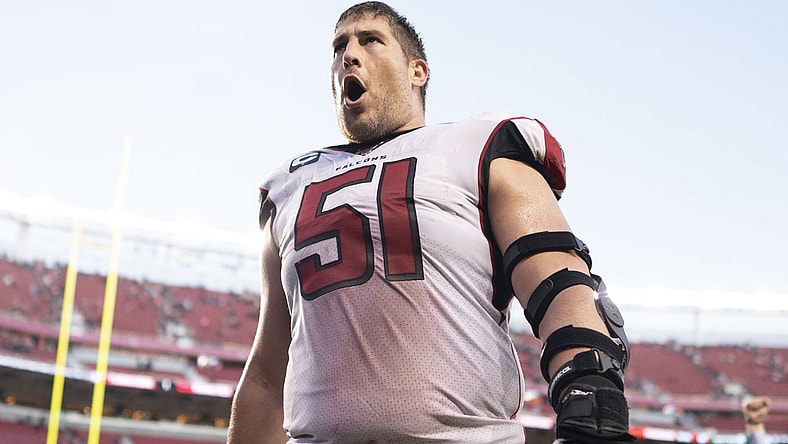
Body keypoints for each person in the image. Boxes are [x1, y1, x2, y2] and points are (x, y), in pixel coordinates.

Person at [228, 2, 633, 443]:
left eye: (370, 40)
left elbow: (558, 282)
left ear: (417, 71)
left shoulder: (478, 144)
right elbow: (269, 374)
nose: (349, 53)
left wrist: (590, 389)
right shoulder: (286, 187)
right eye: (339, 45)